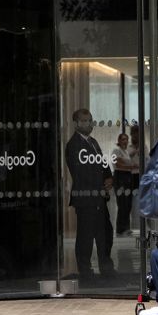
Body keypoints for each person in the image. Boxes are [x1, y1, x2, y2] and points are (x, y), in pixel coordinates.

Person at [64, 108, 115, 281]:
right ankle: (85, 271)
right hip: (86, 199)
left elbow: (102, 164)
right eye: (84, 121)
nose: (88, 124)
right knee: (86, 237)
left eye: (90, 120)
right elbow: (80, 173)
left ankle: (106, 267)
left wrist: (108, 178)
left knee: (105, 233)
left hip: (98, 197)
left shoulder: (93, 142)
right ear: (76, 123)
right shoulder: (73, 145)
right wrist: (100, 184)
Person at [111, 131, 139, 235]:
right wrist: (131, 167)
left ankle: (126, 228)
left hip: (127, 177)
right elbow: (118, 164)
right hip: (120, 177)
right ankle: (120, 229)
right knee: (122, 203)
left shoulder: (126, 152)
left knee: (127, 204)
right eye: (123, 139)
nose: (125, 141)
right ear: (119, 141)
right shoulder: (116, 151)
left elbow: (126, 161)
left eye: (126, 139)